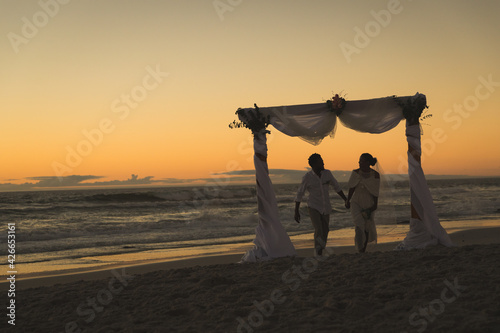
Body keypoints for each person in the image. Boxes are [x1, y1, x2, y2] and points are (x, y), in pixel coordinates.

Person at [295, 153, 347, 256]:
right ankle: (318, 252)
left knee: (325, 230)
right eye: (320, 161)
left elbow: (336, 187)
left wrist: (345, 200)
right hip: (313, 206)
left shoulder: (327, 173)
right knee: (318, 229)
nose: (323, 162)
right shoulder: (307, 177)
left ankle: (320, 249)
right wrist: (296, 210)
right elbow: (300, 193)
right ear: (314, 164)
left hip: (326, 207)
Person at [345, 153, 380, 253]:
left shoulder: (375, 175)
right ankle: (360, 248)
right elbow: (351, 188)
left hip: (368, 202)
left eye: (361, 161)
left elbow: (375, 192)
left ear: (368, 162)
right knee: (359, 224)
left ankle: (363, 249)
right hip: (356, 201)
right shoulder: (355, 173)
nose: (359, 163)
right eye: (359, 161)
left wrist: (375, 204)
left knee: (367, 226)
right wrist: (348, 200)